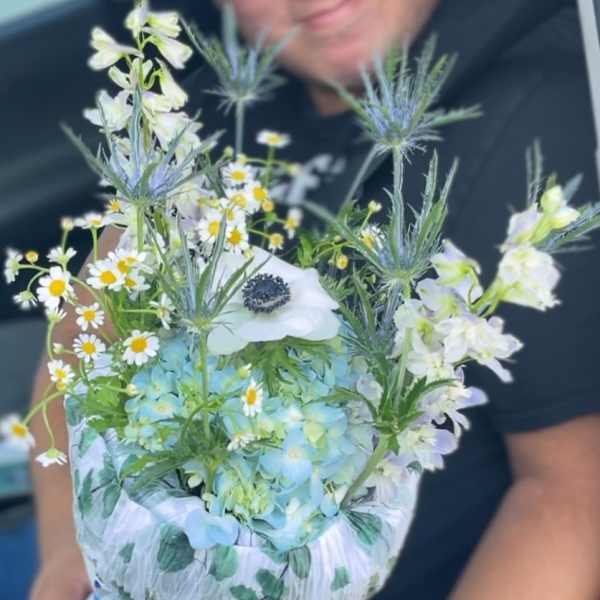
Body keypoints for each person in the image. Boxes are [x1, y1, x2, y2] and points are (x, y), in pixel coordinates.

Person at [29, 0, 600, 599]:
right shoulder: (211, 113)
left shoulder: (534, 123)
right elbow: (79, 341)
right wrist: (73, 556)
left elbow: (572, 491)